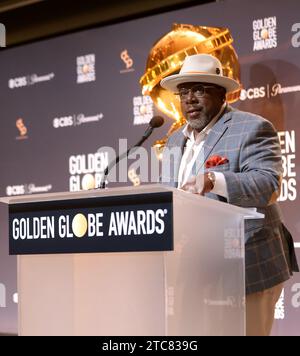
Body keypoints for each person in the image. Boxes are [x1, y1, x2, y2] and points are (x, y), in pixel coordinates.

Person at [160, 53, 299, 336]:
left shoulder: (252, 128)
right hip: (196, 266)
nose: (190, 99)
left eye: (199, 89)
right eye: (184, 92)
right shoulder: (175, 141)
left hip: (249, 264)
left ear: (221, 93)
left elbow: (268, 184)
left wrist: (214, 179)